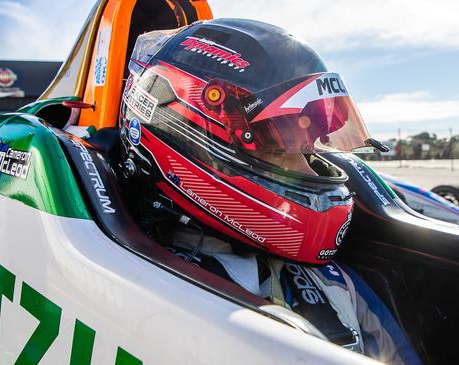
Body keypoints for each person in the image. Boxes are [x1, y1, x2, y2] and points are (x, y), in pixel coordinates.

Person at [119, 19, 422, 365]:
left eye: (308, 149)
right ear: (190, 139)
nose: (309, 170)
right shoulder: (135, 284)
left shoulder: (334, 283)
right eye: (280, 150)